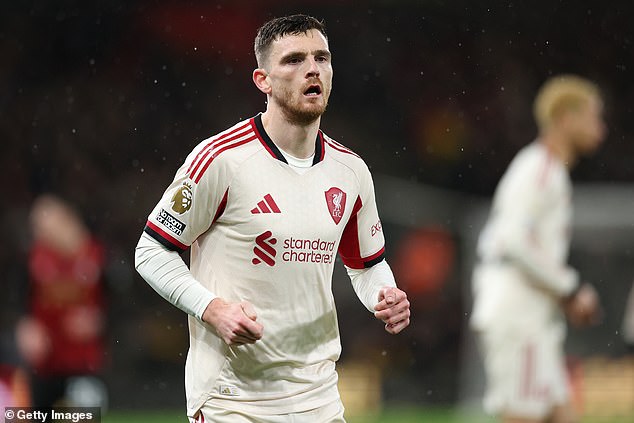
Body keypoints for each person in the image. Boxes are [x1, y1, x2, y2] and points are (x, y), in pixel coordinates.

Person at [135, 14, 410, 423]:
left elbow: (367, 266)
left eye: (321, 58)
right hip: (234, 400)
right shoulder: (221, 159)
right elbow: (150, 251)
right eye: (294, 60)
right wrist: (213, 309)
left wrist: (384, 295)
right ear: (262, 80)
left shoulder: (351, 171)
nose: (312, 69)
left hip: (319, 397)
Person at [470, 75, 606, 423]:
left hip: (533, 317)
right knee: (524, 416)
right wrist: (570, 288)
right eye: (593, 117)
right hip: (519, 316)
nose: (601, 129)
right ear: (566, 118)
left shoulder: (548, 169)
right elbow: (514, 240)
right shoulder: (539, 168)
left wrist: (563, 295)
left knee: (561, 416)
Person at [15, 194, 107, 407]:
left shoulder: (97, 256)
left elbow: (120, 304)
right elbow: (19, 300)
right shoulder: (33, 258)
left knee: (84, 415)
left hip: (84, 363)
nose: (40, 233)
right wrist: (25, 326)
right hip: (44, 363)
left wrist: (100, 321)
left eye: (45, 226)